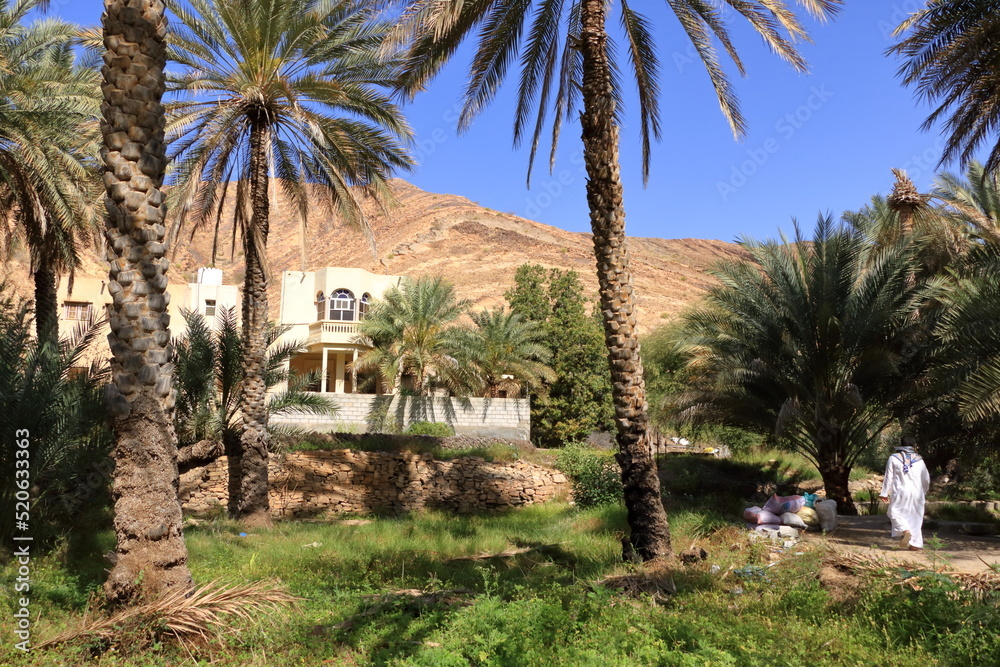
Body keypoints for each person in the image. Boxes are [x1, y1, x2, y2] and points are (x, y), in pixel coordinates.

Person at [879, 436, 931, 550]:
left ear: (901, 445)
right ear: (914, 446)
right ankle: (915, 545)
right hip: (917, 493)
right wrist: (924, 491)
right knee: (916, 517)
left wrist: (884, 492)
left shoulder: (894, 458)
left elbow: (889, 476)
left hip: (900, 492)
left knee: (893, 512)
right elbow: (926, 479)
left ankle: (905, 530)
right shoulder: (920, 460)